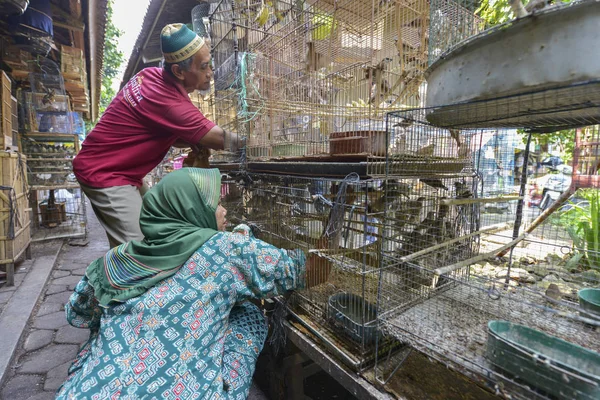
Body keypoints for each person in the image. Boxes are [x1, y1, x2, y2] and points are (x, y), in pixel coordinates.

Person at [55, 168, 327, 399]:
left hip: (85, 392)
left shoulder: (117, 259)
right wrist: (336, 217)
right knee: (248, 314)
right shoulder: (225, 249)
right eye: (214, 204)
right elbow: (309, 270)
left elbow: (77, 314)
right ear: (192, 210)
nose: (223, 211)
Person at [73, 23, 239, 248]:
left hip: (123, 170)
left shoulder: (149, 75)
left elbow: (163, 129)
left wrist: (193, 139)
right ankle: (122, 281)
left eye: (210, 64)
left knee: (153, 228)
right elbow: (219, 139)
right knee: (138, 251)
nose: (210, 73)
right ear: (179, 72)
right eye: (203, 67)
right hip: (105, 173)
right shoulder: (169, 103)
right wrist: (258, 144)